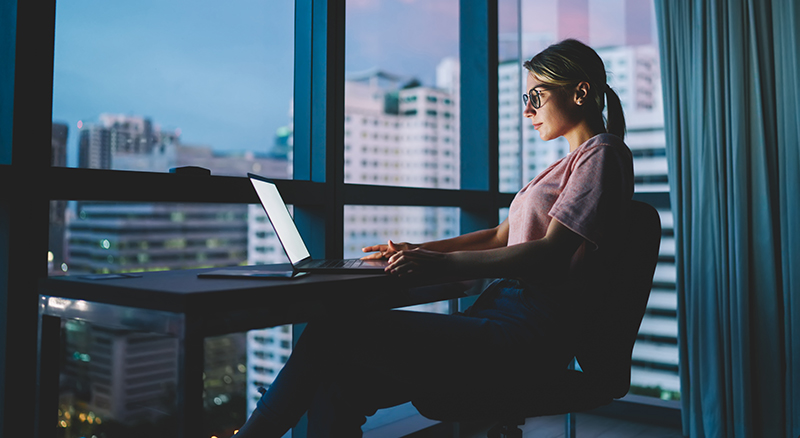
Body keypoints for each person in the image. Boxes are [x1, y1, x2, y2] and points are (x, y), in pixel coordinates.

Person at [233, 38, 633, 437]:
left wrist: (440, 264)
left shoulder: (603, 154)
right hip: (503, 314)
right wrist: (419, 250)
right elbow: (499, 236)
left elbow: (550, 254)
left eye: (536, 95)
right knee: (340, 383)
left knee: (334, 330)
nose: (526, 109)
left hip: (526, 331)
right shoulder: (566, 164)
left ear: (579, 92)